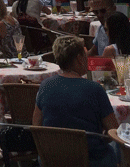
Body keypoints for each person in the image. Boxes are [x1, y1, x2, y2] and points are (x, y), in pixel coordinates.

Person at [34, 35, 120, 167]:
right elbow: (114, 130)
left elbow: (36, 126)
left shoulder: (45, 86)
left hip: (52, 159)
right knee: (120, 148)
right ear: (80, 59)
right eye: (85, 55)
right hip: (90, 160)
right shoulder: (95, 89)